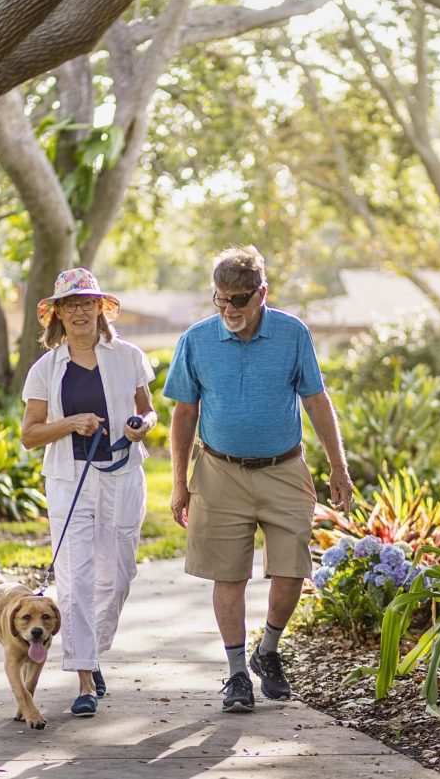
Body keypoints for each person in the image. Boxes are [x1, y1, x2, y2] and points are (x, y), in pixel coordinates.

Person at [164, 245, 353, 712]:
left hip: (284, 469)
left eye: (239, 299)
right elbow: (184, 414)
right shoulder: (196, 340)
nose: (229, 309)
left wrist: (339, 466)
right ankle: (235, 676)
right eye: (220, 299)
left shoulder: (292, 334)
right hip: (219, 471)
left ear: (262, 293)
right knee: (227, 573)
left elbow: (316, 401)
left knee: (291, 570)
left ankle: (267, 651)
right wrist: (178, 481)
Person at [21, 267, 157, 718]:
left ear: (101, 308)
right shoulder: (46, 368)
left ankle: (91, 652)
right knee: (76, 577)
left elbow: (148, 410)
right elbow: (30, 434)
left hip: (122, 474)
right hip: (69, 479)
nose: (79, 311)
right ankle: (84, 677)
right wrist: (71, 423)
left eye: (87, 303)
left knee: (117, 577)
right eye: (70, 304)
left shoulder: (129, 355)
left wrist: (142, 428)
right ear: (57, 314)